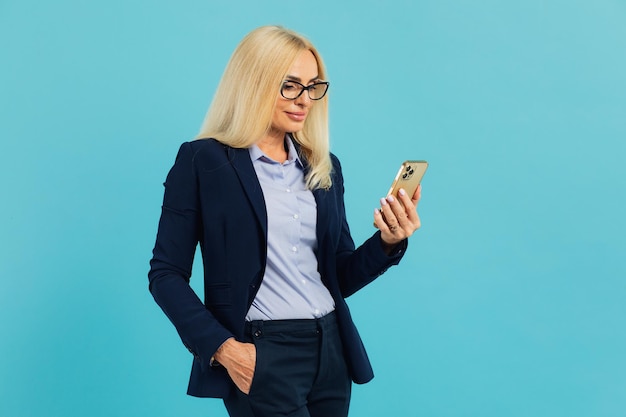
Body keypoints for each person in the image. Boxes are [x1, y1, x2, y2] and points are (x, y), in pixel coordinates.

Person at [148, 25, 423, 417]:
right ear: (253, 83)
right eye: (290, 85)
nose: (305, 99)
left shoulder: (323, 168)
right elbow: (165, 274)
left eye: (312, 87)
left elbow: (338, 276)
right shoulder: (202, 162)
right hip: (262, 351)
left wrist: (387, 242)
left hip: (331, 351)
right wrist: (224, 350)